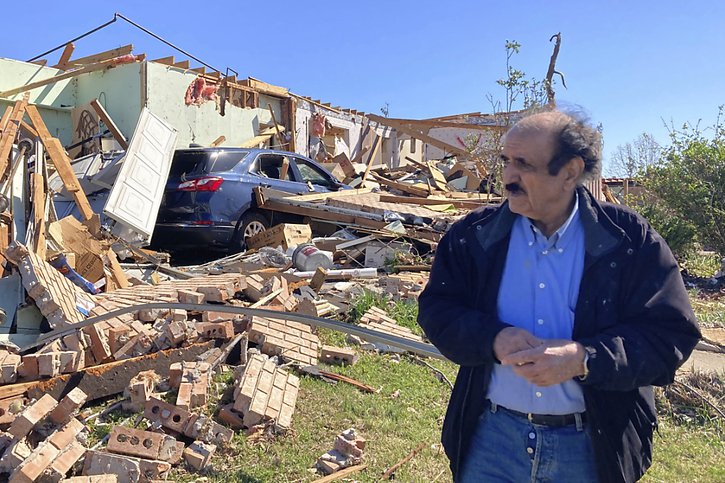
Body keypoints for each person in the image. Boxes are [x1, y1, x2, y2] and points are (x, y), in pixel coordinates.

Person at [417, 109, 701, 482]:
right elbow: (437, 310)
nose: (507, 177)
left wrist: (584, 358)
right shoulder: (475, 237)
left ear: (570, 171)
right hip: (492, 441)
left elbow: (669, 336)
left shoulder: (629, 241)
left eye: (523, 164)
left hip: (589, 448)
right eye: (505, 161)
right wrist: (493, 338)